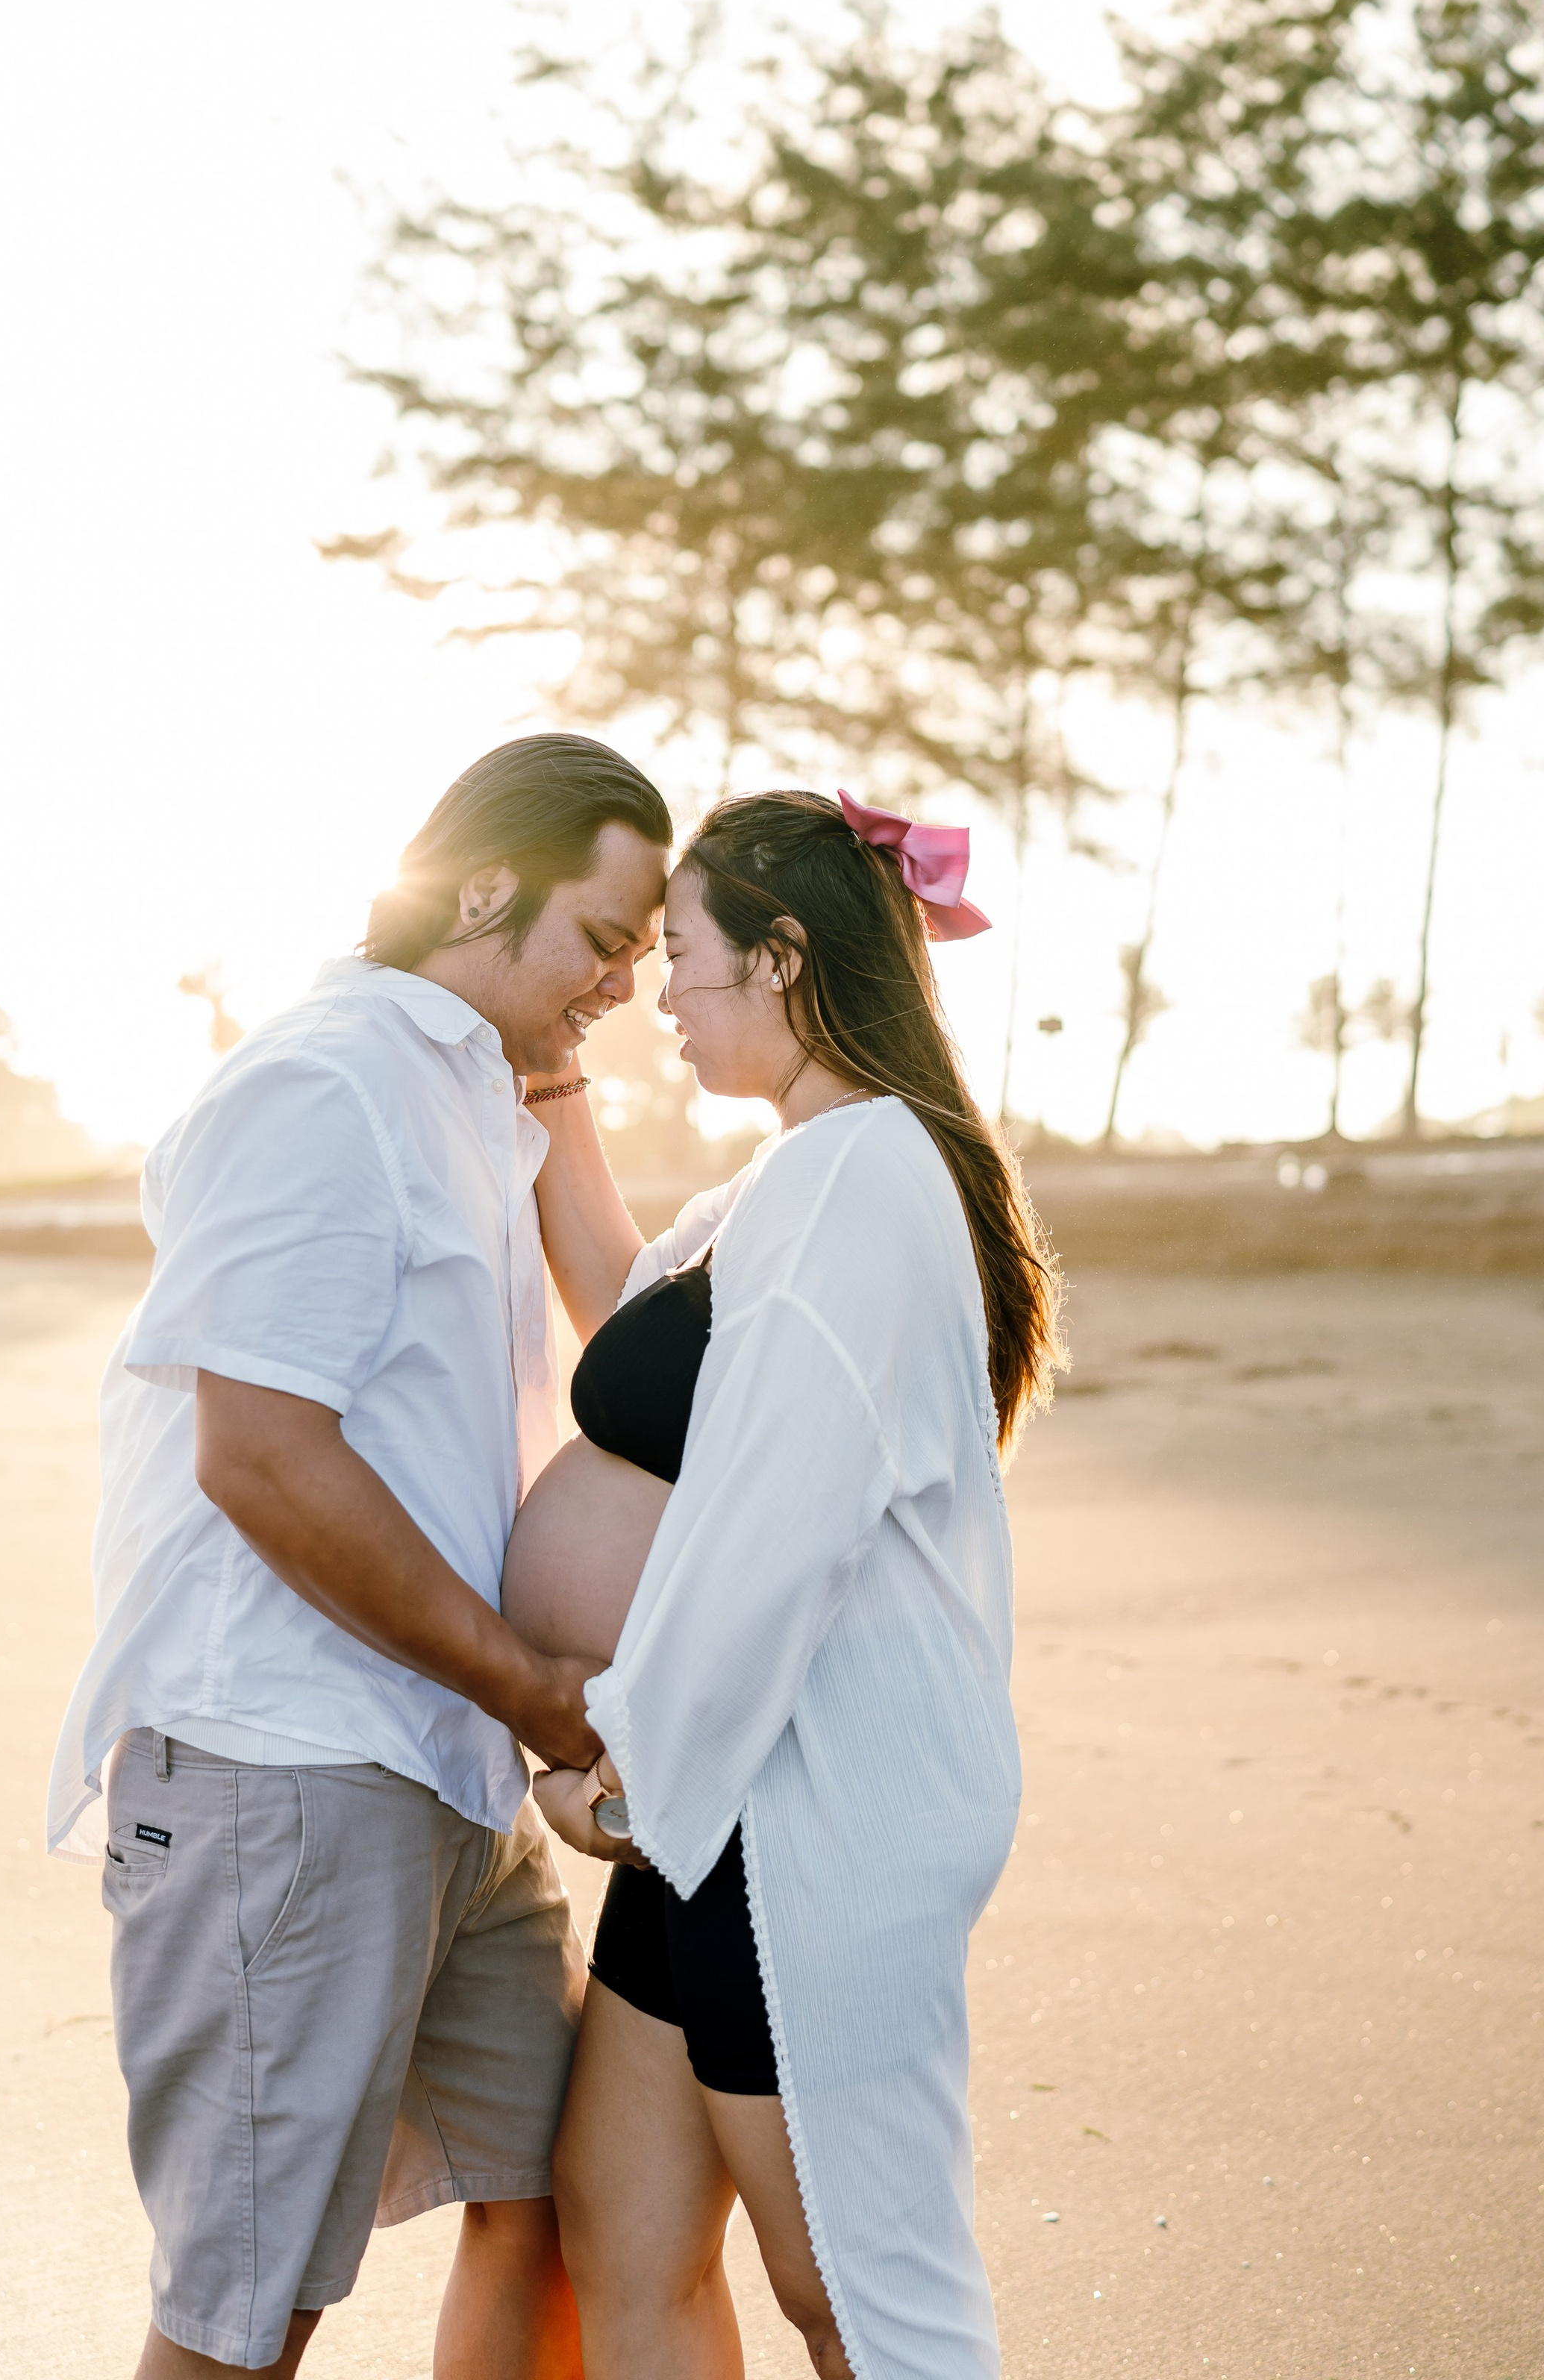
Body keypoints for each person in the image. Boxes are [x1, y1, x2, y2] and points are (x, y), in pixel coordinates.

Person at [46, 734, 671, 2380]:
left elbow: (617, 1314)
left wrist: (554, 1073)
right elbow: (260, 1458)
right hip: (286, 1770)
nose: (622, 983)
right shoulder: (319, 1085)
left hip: (446, 1775)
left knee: (553, 2198)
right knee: (246, 2312)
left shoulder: (476, 1094)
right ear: (479, 890)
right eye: (602, 941)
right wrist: (534, 1688)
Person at [504, 788, 1063, 2380]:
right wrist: (555, 1096)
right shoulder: (789, 1180)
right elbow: (637, 1325)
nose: (660, 996)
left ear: (784, 956)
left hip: (774, 1805)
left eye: (681, 957)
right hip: (712, 1809)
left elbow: (774, 1529)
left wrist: (624, 1769)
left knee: (853, 2297)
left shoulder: (861, 1176)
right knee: (620, 2237)